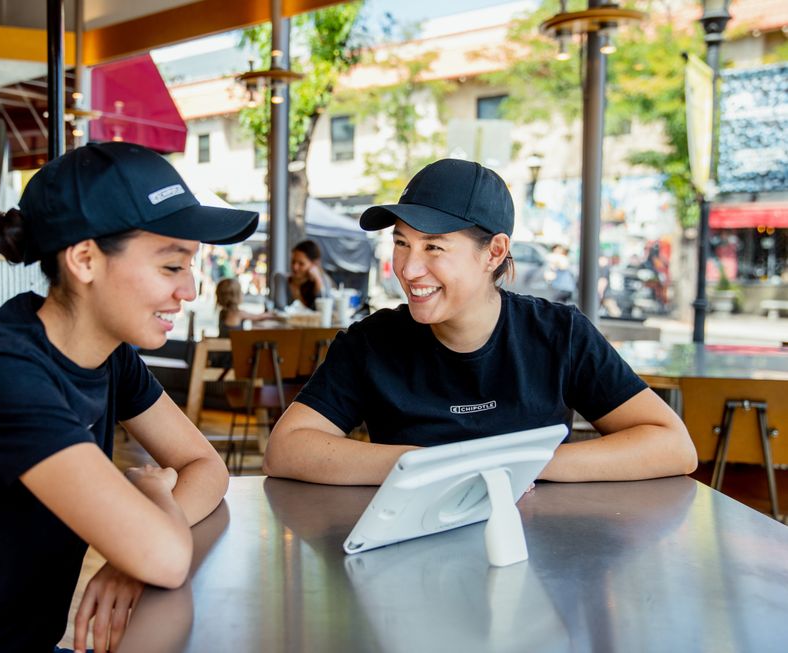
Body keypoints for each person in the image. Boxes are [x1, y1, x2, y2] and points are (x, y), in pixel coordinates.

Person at [0, 142, 259, 653]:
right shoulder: (4, 372)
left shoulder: (107, 354)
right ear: (84, 259)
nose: (189, 290)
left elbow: (203, 466)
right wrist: (149, 496)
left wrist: (138, 544)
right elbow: (166, 558)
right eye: (172, 266)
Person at [263, 158, 697, 486]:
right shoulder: (371, 343)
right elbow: (286, 449)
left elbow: (672, 445)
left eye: (434, 248)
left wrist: (519, 466)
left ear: (493, 252)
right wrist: (434, 465)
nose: (409, 269)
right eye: (401, 243)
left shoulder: (557, 333)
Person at [287, 239, 333, 309]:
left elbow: (326, 309)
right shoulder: (285, 280)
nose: (295, 267)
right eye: (293, 262)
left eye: (301, 264)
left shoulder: (323, 280)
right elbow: (280, 308)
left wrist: (318, 281)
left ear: (314, 265)